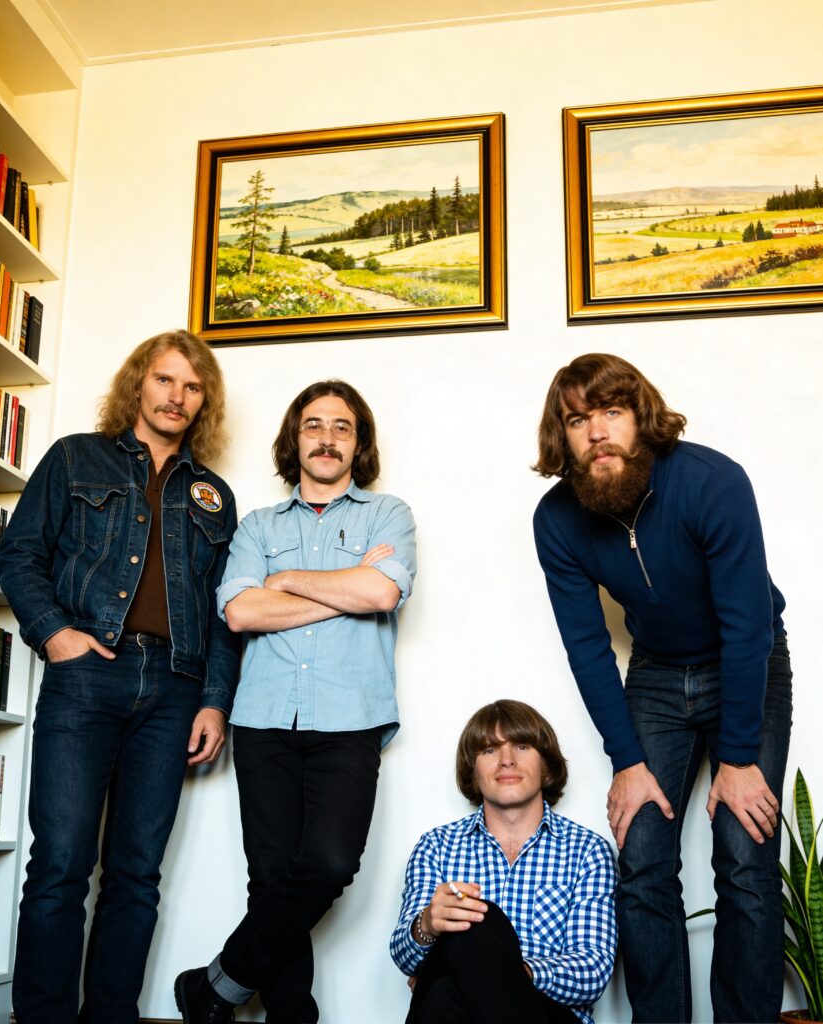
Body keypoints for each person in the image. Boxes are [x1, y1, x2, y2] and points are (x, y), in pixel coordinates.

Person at [532, 353, 792, 1023]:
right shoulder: (555, 519)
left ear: (640, 416)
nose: (597, 433)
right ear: (561, 436)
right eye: (577, 421)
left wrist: (738, 759)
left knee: (744, 858)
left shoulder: (712, 481)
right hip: (654, 673)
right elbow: (587, 647)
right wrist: (626, 761)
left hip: (745, 663)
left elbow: (747, 629)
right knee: (641, 856)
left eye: (611, 412)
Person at [0, 329, 240, 1024]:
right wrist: (55, 633)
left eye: (192, 387)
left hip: (174, 690)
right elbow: (18, 555)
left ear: (203, 403)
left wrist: (214, 703)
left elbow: (224, 611)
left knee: (136, 875)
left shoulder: (214, 496)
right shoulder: (76, 457)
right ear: (139, 383)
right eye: (165, 379)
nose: (176, 396)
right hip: (86, 678)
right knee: (61, 863)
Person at [174, 379, 417, 1024]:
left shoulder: (388, 515)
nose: (327, 438)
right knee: (272, 877)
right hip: (264, 717)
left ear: (358, 443)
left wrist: (283, 582)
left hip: (351, 717)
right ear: (295, 439)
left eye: (342, 427)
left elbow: (382, 594)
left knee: (330, 864)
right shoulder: (257, 525)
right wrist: (344, 587)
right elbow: (239, 611)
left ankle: (214, 986)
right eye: (314, 425)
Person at [390, 699, 616, 1024]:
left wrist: (501, 972)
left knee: (471, 930)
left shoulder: (587, 851)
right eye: (489, 750)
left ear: (546, 765)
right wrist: (426, 925)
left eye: (522, 746)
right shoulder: (436, 847)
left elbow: (592, 971)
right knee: (445, 991)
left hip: (551, 1016)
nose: (507, 760)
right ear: (473, 771)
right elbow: (404, 957)